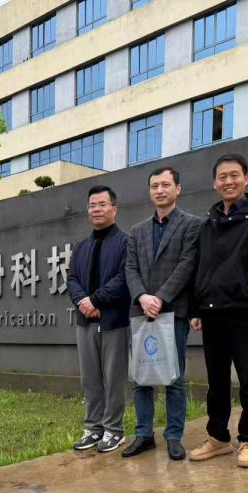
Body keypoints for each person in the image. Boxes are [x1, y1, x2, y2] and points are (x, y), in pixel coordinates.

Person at [189, 153, 248, 468]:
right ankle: (218, 437)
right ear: (215, 183)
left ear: (246, 179)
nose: (228, 181)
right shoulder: (209, 222)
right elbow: (200, 268)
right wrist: (196, 308)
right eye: (222, 177)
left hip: (244, 312)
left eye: (234, 175)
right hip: (211, 312)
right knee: (216, 382)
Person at [122, 167, 202, 461]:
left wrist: (160, 298)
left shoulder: (192, 225)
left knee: (174, 377)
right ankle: (144, 434)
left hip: (173, 312)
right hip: (141, 312)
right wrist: (142, 297)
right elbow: (130, 268)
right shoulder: (137, 230)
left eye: (166, 185)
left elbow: (187, 265)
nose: (160, 190)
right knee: (141, 376)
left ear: (177, 189)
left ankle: (174, 436)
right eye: (154, 185)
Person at [68, 185, 132, 454]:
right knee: (90, 378)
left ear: (114, 209)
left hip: (114, 321)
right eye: (92, 205)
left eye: (102, 204)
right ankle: (93, 428)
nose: (96, 209)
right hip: (85, 321)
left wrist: (95, 300)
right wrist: (83, 302)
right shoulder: (81, 247)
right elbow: (72, 279)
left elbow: (123, 279)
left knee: (114, 378)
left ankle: (114, 430)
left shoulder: (126, 243)